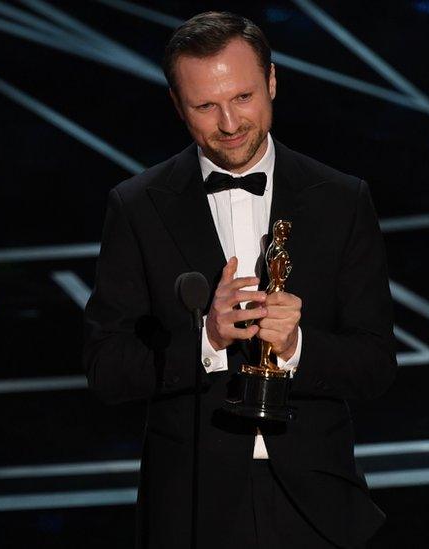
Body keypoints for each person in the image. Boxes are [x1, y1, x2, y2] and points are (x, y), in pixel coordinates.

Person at [83, 12, 396, 549]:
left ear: (272, 81)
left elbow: (375, 366)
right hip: (192, 507)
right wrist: (206, 339)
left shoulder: (342, 199)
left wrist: (296, 346)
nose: (229, 123)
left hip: (318, 504)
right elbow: (106, 370)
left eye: (244, 97)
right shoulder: (137, 207)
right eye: (206, 106)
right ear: (178, 107)